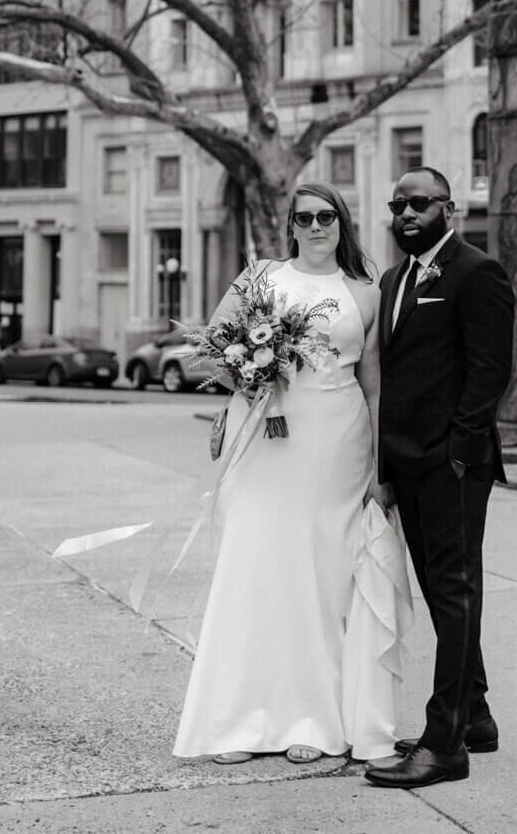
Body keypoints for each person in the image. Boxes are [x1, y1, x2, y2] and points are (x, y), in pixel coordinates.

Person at [173, 182, 389, 764]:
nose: (317, 227)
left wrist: (380, 467)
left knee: (318, 577)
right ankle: (234, 721)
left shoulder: (364, 293)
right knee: (253, 565)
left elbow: (374, 384)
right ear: (290, 226)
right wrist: (249, 374)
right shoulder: (259, 278)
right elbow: (208, 352)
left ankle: (312, 722)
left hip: (336, 446)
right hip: (263, 442)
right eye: (305, 218)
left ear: (342, 224)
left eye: (328, 217)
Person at [365, 166, 515, 790]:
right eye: (398, 204)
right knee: (439, 593)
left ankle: (445, 741)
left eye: (419, 203)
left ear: (448, 208)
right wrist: (386, 463)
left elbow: (490, 371)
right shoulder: (395, 278)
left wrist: (459, 451)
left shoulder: (477, 272)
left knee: (455, 594)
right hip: (407, 462)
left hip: (453, 465)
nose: (406, 213)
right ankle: (475, 716)